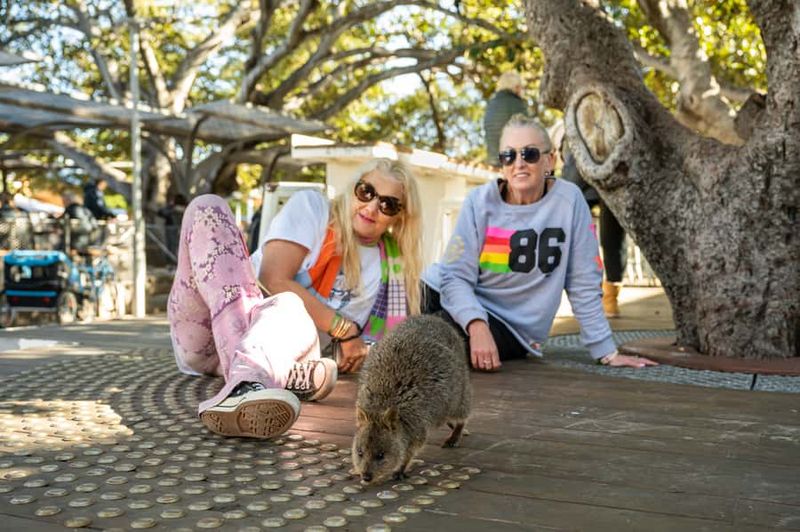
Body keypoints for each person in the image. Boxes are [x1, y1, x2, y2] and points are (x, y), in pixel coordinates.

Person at [423, 114, 656, 370]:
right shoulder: (479, 202)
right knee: (394, 314)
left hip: (508, 325)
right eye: (509, 156)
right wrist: (476, 324)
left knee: (426, 340)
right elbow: (454, 276)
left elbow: (583, 281)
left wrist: (606, 351)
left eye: (530, 154)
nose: (519, 163)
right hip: (446, 293)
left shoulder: (569, 202)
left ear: (550, 160)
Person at [252, 158, 423, 375]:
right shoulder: (313, 209)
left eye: (387, 205)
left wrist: (357, 350)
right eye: (366, 192)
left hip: (303, 364)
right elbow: (272, 280)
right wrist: (344, 330)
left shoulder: (393, 264)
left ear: (400, 217)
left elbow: (384, 341)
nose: (371, 208)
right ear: (354, 188)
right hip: (249, 330)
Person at [560, 138, 628, 318]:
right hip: (580, 161)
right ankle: (580, 292)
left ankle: (610, 297)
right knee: (568, 229)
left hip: (613, 159)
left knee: (612, 236)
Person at [483, 70, 529, 167]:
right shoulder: (516, 104)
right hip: (512, 162)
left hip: (493, 160)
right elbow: (529, 133)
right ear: (516, 87)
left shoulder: (491, 104)